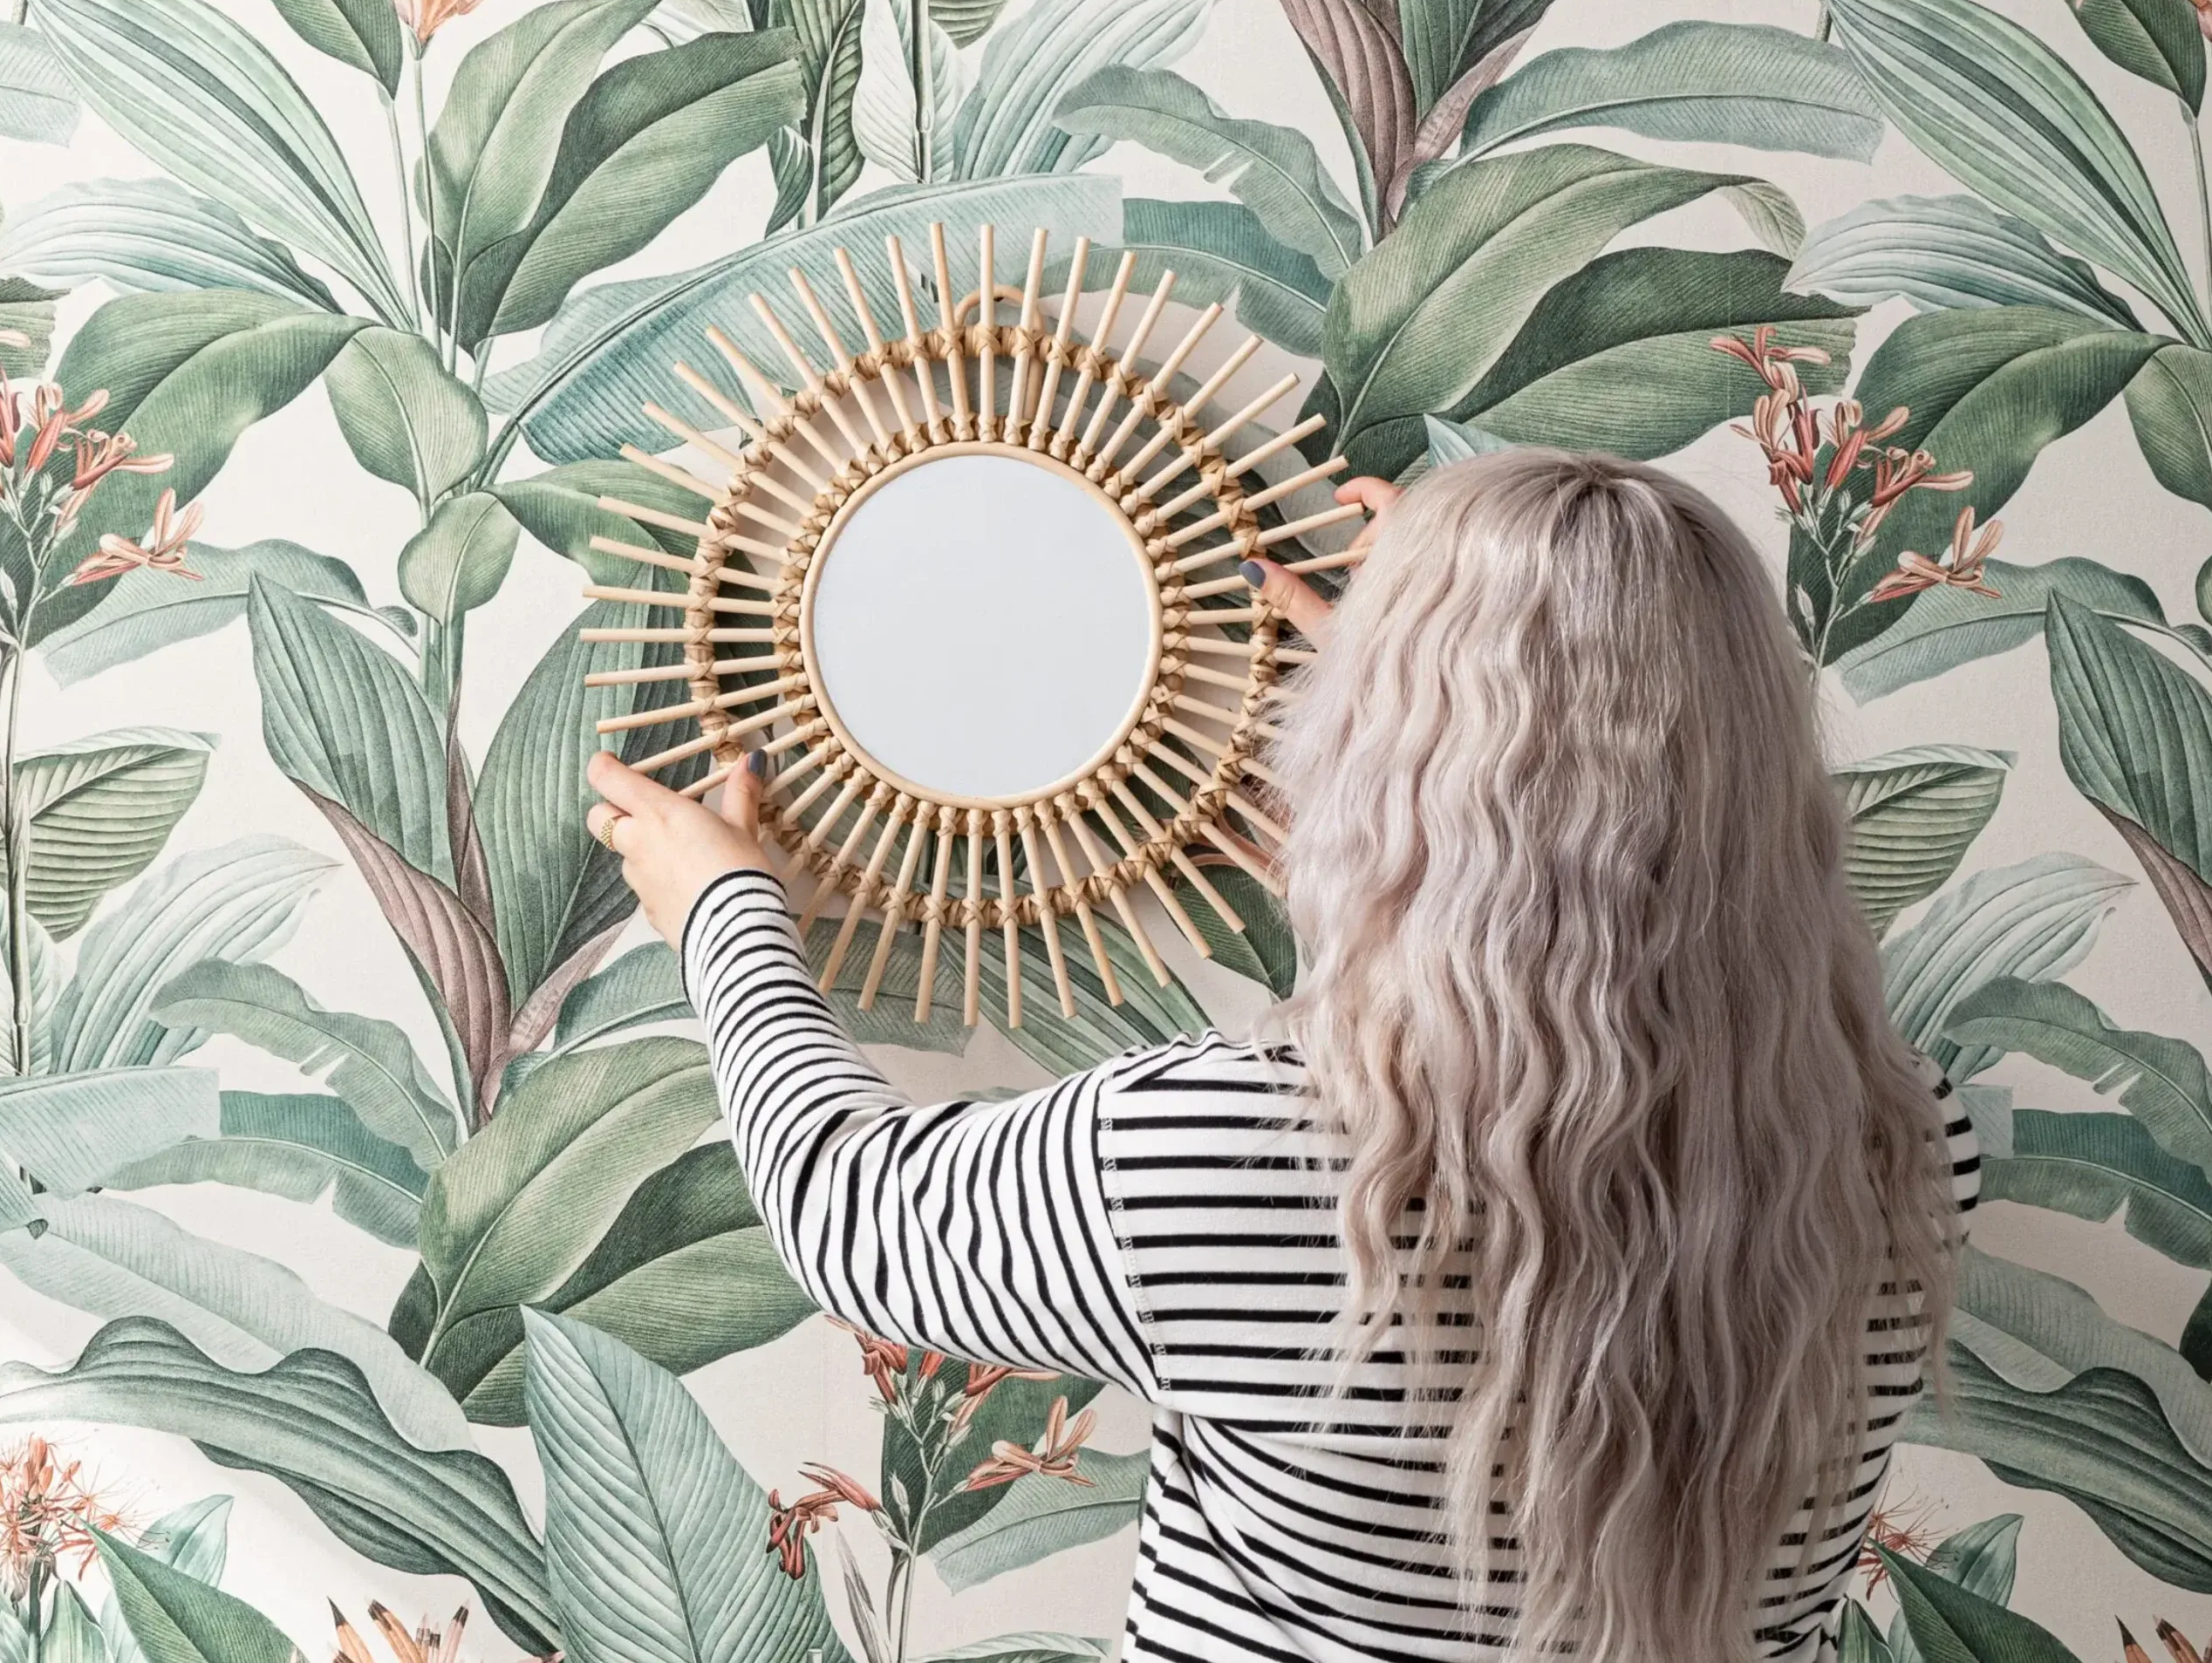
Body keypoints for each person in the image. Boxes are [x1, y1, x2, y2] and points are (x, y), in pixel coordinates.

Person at [584, 449, 1976, 1662]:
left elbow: (859, 1214)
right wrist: (1410, 755)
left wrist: (723, 904)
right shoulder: (1906, 1143)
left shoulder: (1223, 1150)